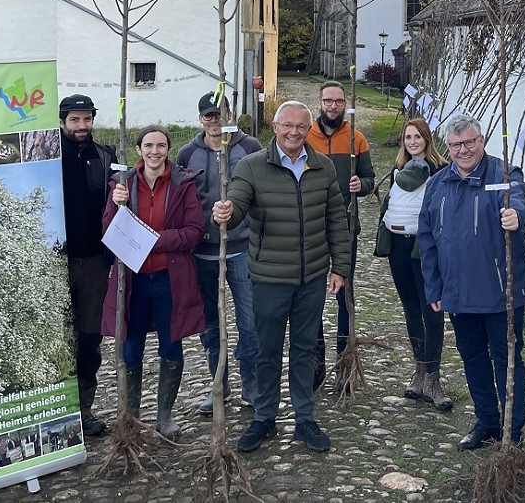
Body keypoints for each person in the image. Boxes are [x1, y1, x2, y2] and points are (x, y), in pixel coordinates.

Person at [212, 101, 351, 453]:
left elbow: (337, 219)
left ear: (309, 130)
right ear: (275, 127)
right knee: (267, 350)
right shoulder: (252, 166)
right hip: (269, 278)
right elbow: (239, 202)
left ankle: (305, 416)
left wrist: (341, 268)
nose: (293, 132)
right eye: (287, 125)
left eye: (300, 127)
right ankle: (264, 416)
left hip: (312, 277)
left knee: (306, 349)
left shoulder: (322, 168)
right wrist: (227, 211)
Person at [418, 114, 525, 450]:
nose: (463, 150)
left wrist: (515, 216)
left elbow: (518, 203)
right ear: (447, 147)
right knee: (472, 357)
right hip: (457, 292)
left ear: (481, 141)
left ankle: (513, 429)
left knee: (507, 359)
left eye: (469, 142)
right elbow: (426, 237)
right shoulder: (438, 184)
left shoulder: (503, 174)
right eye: (455, 145)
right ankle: (487, 421)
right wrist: (434, 287)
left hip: (500, 290)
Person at [101, 125, 204, 440]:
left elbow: (194, 230)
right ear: (138, 149)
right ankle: (130, 416)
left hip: (169, 278)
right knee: (130, 348)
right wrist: (117, 206)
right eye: (149, 145)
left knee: (171, 346)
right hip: (132, 281)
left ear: (168, 149)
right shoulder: (122, 183)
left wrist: (155, 240)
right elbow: (107, 229)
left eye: (161, 146)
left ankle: (164, 416)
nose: (155, 151)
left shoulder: (183, 184)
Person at [176, 92, 263, 415]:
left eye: (219, 114)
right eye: (208, 116)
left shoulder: (249, 148)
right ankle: (218, 386)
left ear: (230, 114)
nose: (214, 121)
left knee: (249, 323)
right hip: (202, 253)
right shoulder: (187, 154)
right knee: (211, 325)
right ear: (200, 119)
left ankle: (251, 387)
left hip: (242, 250)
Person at [375, 117, 451, 411]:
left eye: (417, 137)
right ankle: (419, 370)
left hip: (424, 250)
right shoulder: (398, 170)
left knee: (431, 308)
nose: (412, 142)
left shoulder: (440, 172)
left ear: (427, 139)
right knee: (410, 308)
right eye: (408, 137)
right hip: (398, 247)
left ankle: (433, 377)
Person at [306, 80, 375, 389]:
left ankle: (344, 362)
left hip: (346, 228)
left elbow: (371, 178)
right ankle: (316, 363)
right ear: (319, 103)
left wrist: (364, 185)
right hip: (310, 229)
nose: (332, 106)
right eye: (327, 101)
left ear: (345, 104)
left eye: (337, 101)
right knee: (312, 297)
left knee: (344, 296)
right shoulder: (306, 136)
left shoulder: (356, 138)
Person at [58, 93, 117, 437]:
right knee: (59, 340)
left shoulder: (106, 157)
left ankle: (84, 409)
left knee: (89, 338)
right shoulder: (48, 158)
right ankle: (56, 411)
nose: (82, 126)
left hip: (95, 263)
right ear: (63, 121)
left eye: (87, 119)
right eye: (75, 120)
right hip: (57, 263)